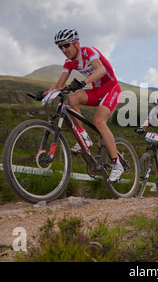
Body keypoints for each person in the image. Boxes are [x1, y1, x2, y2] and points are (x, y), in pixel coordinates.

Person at [46, 28, 123, 183]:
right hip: (97, 91)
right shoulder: (69, 62)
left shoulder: (88, 52)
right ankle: (84, 136)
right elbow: (60, 84)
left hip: (112, 89)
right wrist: (45, 94)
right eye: (60, 47)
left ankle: (117, 164)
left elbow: (100, 70)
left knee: (99, 121)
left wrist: (83, 82)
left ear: (76, 43)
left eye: (66, 45)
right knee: (72, 98)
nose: (64, 50)